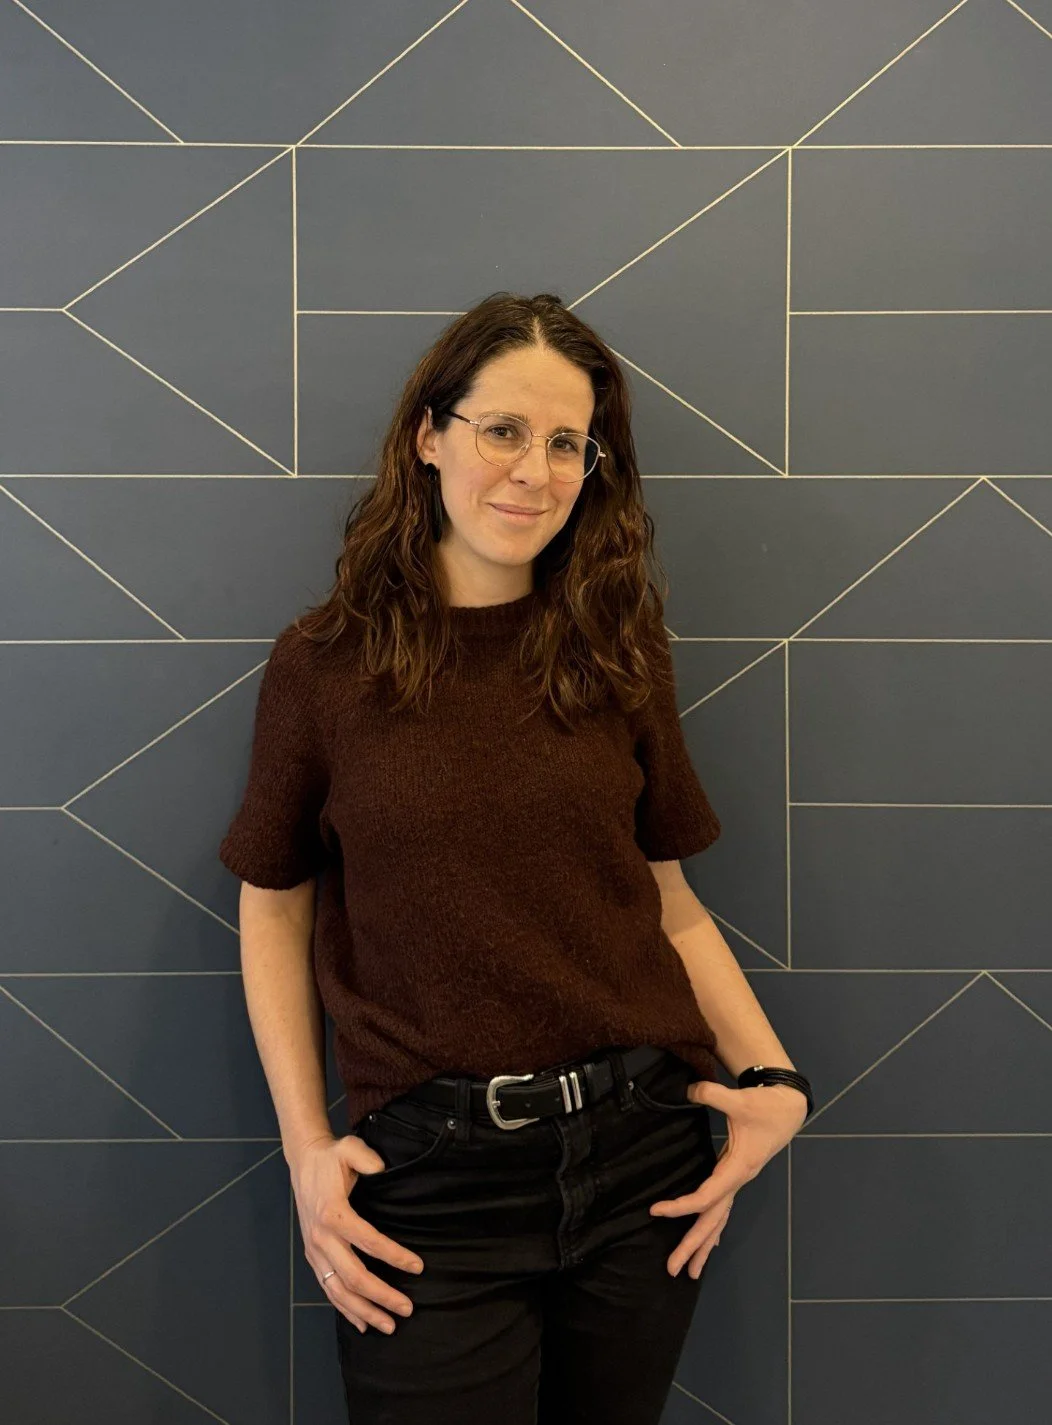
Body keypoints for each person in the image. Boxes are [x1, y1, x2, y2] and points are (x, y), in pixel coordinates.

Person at [218, 291, 813, 1424]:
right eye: (502, 430)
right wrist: (306, 1148)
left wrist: (775, 1082)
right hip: (429, 1181)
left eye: (566, 443)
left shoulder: (618, 653)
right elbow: (273, 907)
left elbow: (665, 900)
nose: (533, 472)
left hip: (642, 1159)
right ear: (427, 437)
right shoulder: (324, 666)